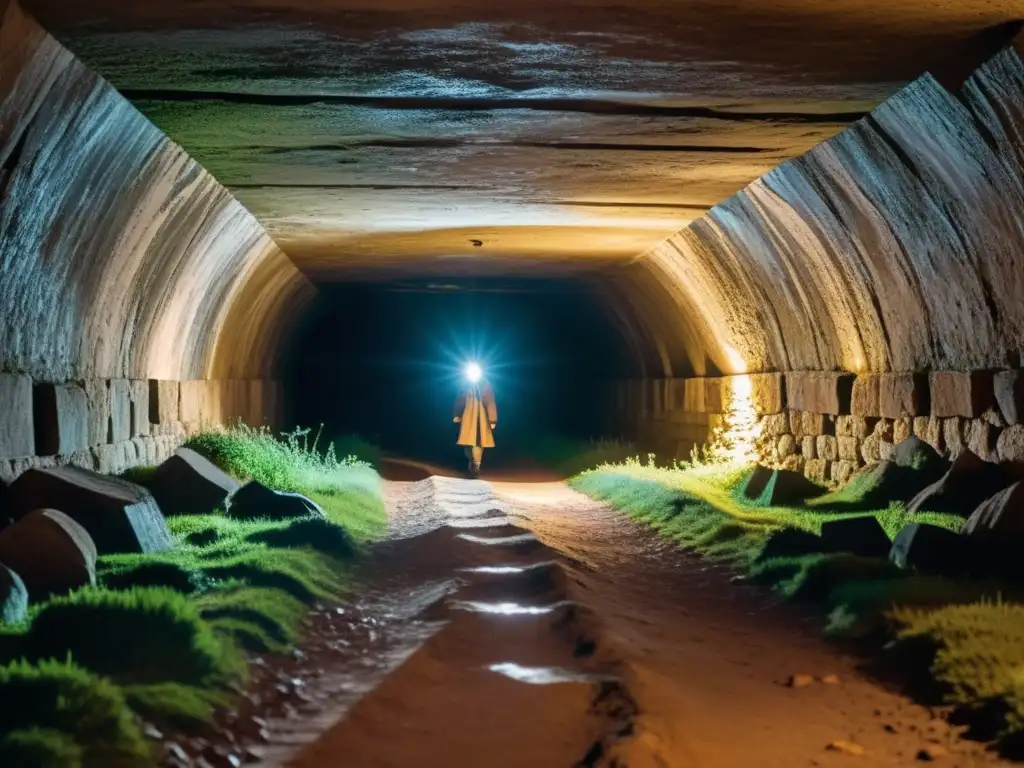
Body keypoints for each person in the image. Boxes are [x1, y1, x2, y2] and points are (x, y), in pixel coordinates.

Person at [454, 373, 497, 477]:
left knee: (478, 442)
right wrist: (457, 414)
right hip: (468, 417)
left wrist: (492, 420)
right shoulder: (465, 383)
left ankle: (476, 466)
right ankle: (473, 463)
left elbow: (490, 401)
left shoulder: (484, 383)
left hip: (480, 418)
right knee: (468, 443)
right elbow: (460, 399)